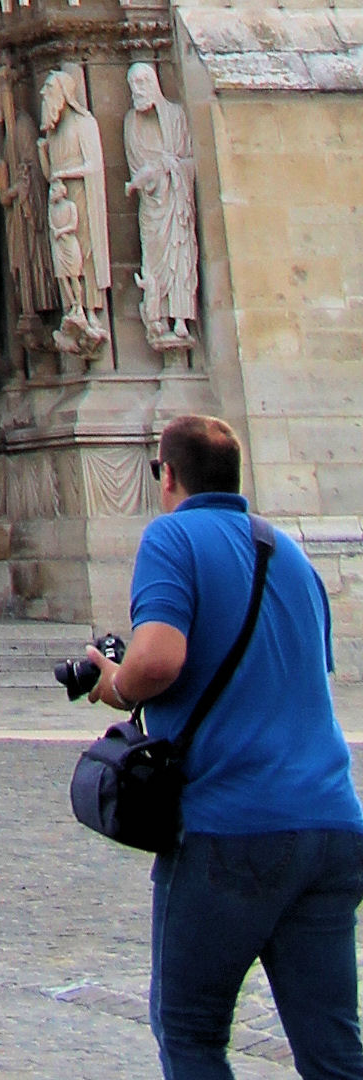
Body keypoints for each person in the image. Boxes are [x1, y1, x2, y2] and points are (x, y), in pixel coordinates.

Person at [81, 408, 360, 1074]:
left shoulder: (172, 540)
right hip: (330, 827)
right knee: (333, 1052)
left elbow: (158, 660)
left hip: (232, 831)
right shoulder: (289, 554)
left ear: (167, 475)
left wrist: (112, 684)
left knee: (189, 1030)